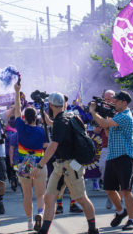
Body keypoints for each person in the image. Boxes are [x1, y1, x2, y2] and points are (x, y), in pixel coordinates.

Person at [32, 92, 99, 234]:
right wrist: (46, 118)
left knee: (81, 198)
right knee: (49, 197)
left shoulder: (60, 121)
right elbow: (57, 126)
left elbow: (53, 145)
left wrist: (40, 165)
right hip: (62, 166)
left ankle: (93, 230)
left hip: (70, 165)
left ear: (51, 105)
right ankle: (44, 230)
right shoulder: (70, 116)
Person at [90, 90, 133, 230]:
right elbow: (108, 130)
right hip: (112, 155)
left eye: (116, 101)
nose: (113, 103)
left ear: (124, 103)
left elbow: (104, 123)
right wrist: (104, 116)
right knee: (109, 189)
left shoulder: (125, 116)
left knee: (126, 190)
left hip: (125, 156)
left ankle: (131, 220)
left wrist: (93, 112)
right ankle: (121, 211)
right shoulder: (118, 115)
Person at [11, 82, 48, 231]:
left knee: (27, 195)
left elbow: (17, 110)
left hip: (24, 164)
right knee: (40, 195)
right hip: (39, 164)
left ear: (25, 117)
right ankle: (40, 212)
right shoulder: (41, 131)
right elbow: (46, 146)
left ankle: (28, 222)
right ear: (36, 118)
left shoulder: (20, 127)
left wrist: (17, 92)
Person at [101, 89, 115, 209]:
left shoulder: (119, 111)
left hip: (117, 146)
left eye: (110, 98)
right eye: (105, 98)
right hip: (105, 146)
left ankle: (113, 197)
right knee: (103, 169)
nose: (107, 101)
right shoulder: (100, 111)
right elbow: (95, 130)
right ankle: (110, 192)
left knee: (117, 173)